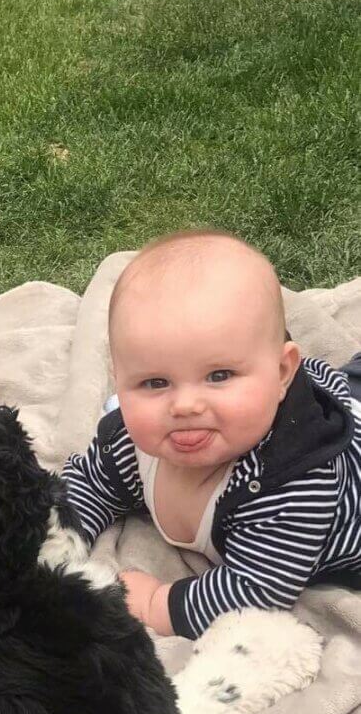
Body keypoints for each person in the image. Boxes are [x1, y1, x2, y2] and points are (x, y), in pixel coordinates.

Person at [62, 230, 361, 639]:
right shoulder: (130, 444)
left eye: (219, 375)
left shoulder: (296, 482)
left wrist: (156, 602)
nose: (185, 406)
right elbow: (89, 485)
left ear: (281, 374)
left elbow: (257, 590)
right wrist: (55, 539)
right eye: (154, 382)